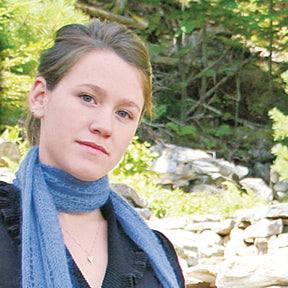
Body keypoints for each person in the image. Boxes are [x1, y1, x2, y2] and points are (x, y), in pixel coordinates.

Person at [0, 19, 185, 288]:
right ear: (40, 97)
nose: (104, 126)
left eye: (124, 113)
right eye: (88, 98)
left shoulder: (156, 256)